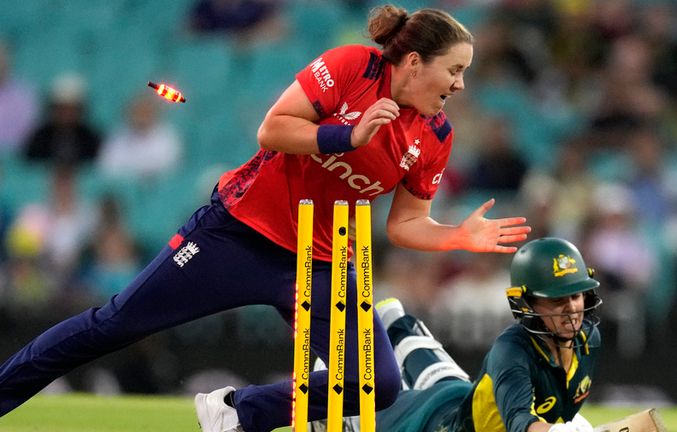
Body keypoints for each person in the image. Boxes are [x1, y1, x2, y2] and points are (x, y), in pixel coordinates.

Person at [0, 5, 530, 432]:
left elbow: (404, 223)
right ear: (414, 62)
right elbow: (272, 130)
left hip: (320, 262)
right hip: (238, 234)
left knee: (375, 382)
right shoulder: (352, 67)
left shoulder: (434, 134)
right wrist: (346, 135)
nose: (460, 86)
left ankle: (238, 412)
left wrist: (455, 235)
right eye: (454, 70)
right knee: (113, 324)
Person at [368, 237, 602, 432]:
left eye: (576, 295)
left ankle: (398, 324)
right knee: (369, 413)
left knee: (442, 380)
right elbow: (519, 423)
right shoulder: (512, 350)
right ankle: (390, 325)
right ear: (526, 303)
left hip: (460, 398)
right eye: (557, 299)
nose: (572, 309)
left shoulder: (589, 340)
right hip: (436, 424)